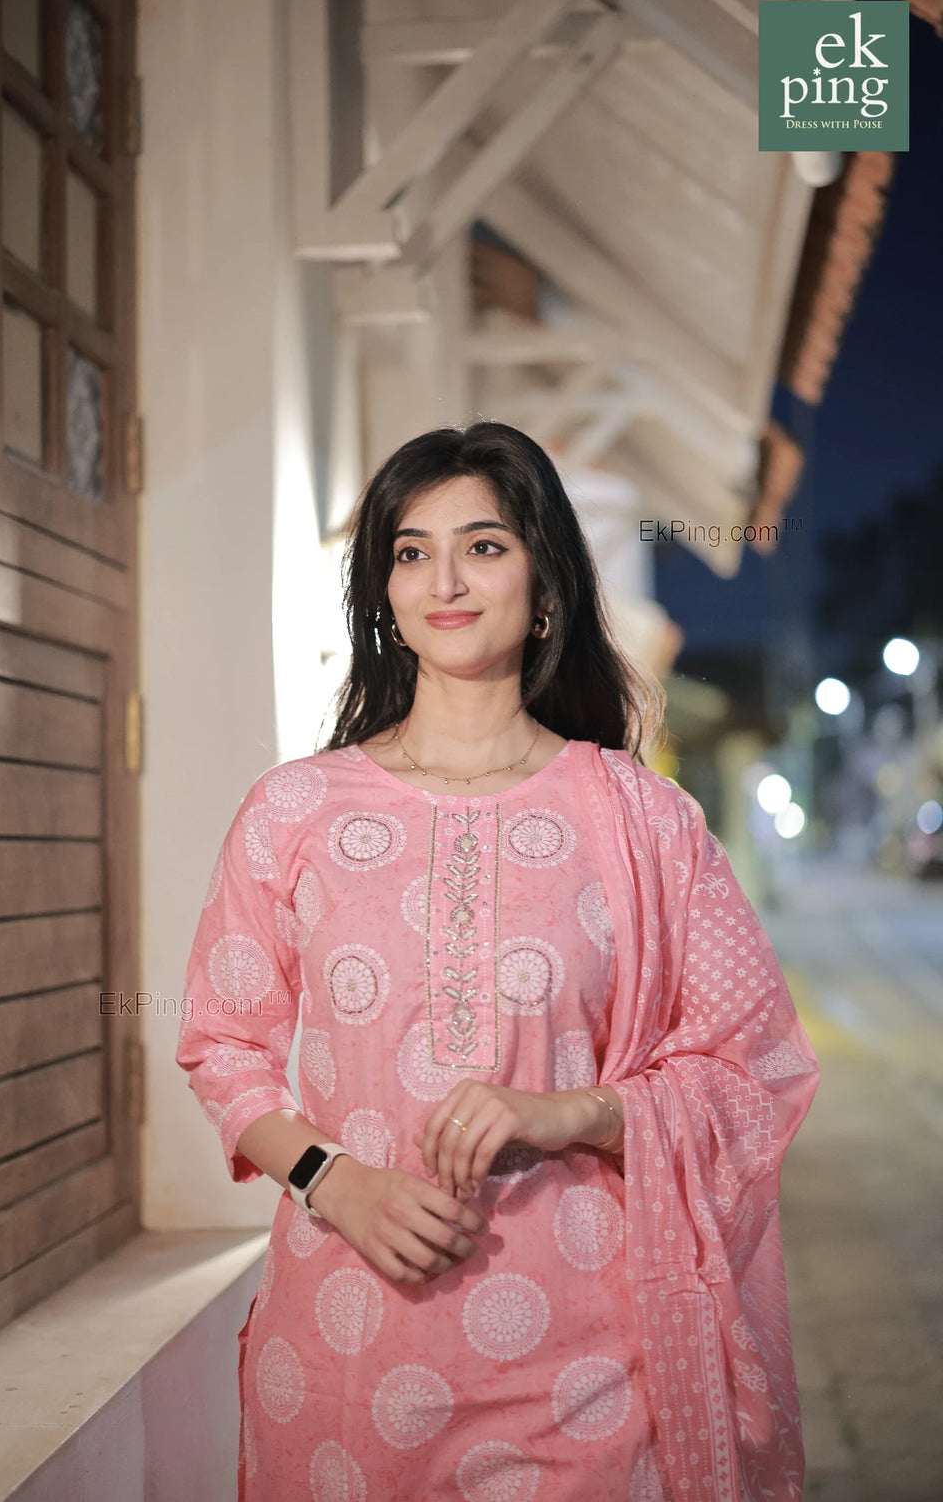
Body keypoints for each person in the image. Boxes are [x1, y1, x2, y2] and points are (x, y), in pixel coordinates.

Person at [176, 422, 819, 1502]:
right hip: (343, 1358)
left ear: (545, 582)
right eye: (411, 551)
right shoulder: (294, 810)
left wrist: (569, 1111)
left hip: (586, 1367)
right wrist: (334, 1179)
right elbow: (220, 1045)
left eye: (482, 545)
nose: (445, 580)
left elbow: (754, 1070)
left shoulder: (644, 821)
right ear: (384, 594)